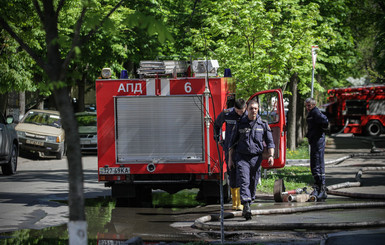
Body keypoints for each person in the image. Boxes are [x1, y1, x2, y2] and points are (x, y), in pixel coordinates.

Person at [228, 99, 275, 220]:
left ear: (258, 109)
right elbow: (232, 144)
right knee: (244, 181)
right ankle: (246, 206)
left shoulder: (263, 124)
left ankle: (250, 201)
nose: (253, 111)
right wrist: (230, 160)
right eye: (251, 108)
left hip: (256, 158)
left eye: (255, 108)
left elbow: (270, 142)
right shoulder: (240, 123)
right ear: (247, 109)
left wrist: (270, 156)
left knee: (253, 182)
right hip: (242, 157)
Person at [214, 98, 247, 211]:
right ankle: (235, 203)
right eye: (237, 111)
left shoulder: (248, 115)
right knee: (232, 173)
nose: (239, 114)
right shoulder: (227, 114)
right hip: (229, 148)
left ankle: (243, 202)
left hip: (243, 149)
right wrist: (218, 138)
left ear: (245, 108)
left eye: (241, 112)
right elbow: (217, 125)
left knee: (243, 174)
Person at [305, 98, 329, 201]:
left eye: (309, 105)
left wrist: (319, 131)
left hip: (318, 141)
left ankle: (322, 189)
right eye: (306, 105)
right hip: (314, 141)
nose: (307, 107)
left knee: (318, 163)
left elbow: (325, 122)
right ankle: (318, 187)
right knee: (314, 164)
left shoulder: (316, 112)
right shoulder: (312, 113)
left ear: (314, 105)